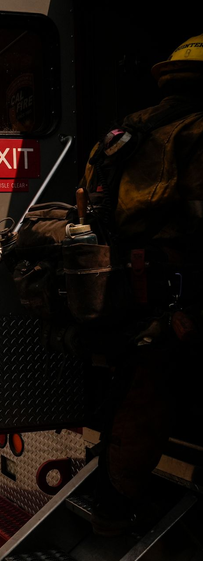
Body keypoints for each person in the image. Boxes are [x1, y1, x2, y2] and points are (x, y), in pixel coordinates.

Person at [79, 33, 203, 533]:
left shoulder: (121, 135)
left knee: (131, 385)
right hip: (171, 284)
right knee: (152, 390)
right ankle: (119, 504)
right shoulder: (196, 132)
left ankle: (112, 492)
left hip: (122, 284)